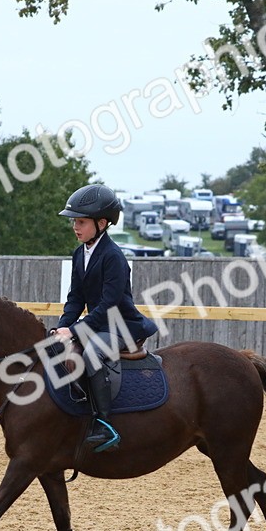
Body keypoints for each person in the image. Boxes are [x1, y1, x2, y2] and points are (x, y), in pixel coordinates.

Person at [53, 184, 157, 452]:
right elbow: (76, 298)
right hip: (99, 324)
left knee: (92, 354)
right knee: (53, 347)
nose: (75, 227)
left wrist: (75, 331)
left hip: (122, 325)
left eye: (81, 222)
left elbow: (108, 306)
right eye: (74, 222)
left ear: (101, 223)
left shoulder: (113, 257)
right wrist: (62, 327)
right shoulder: (80, 254)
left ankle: (104, 424)